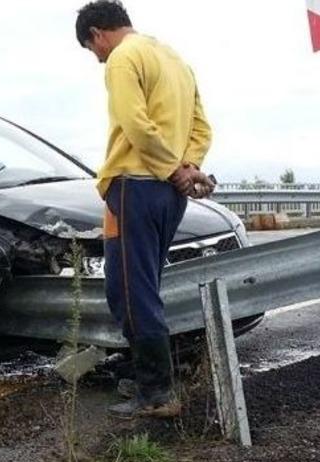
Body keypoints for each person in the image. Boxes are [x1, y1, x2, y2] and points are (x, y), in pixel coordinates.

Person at [75, 0, 215, 418]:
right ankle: (149, 379)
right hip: (168, 196)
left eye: (91, 49)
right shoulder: (173, 58)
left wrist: (173, 169)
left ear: (98, 34)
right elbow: (201, 126)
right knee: (146, 285)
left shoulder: (122, 58)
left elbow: (134, 123)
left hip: (134, 187)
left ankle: (156, 394)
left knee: (129, 292)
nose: (96, 58)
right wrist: (187, 167)